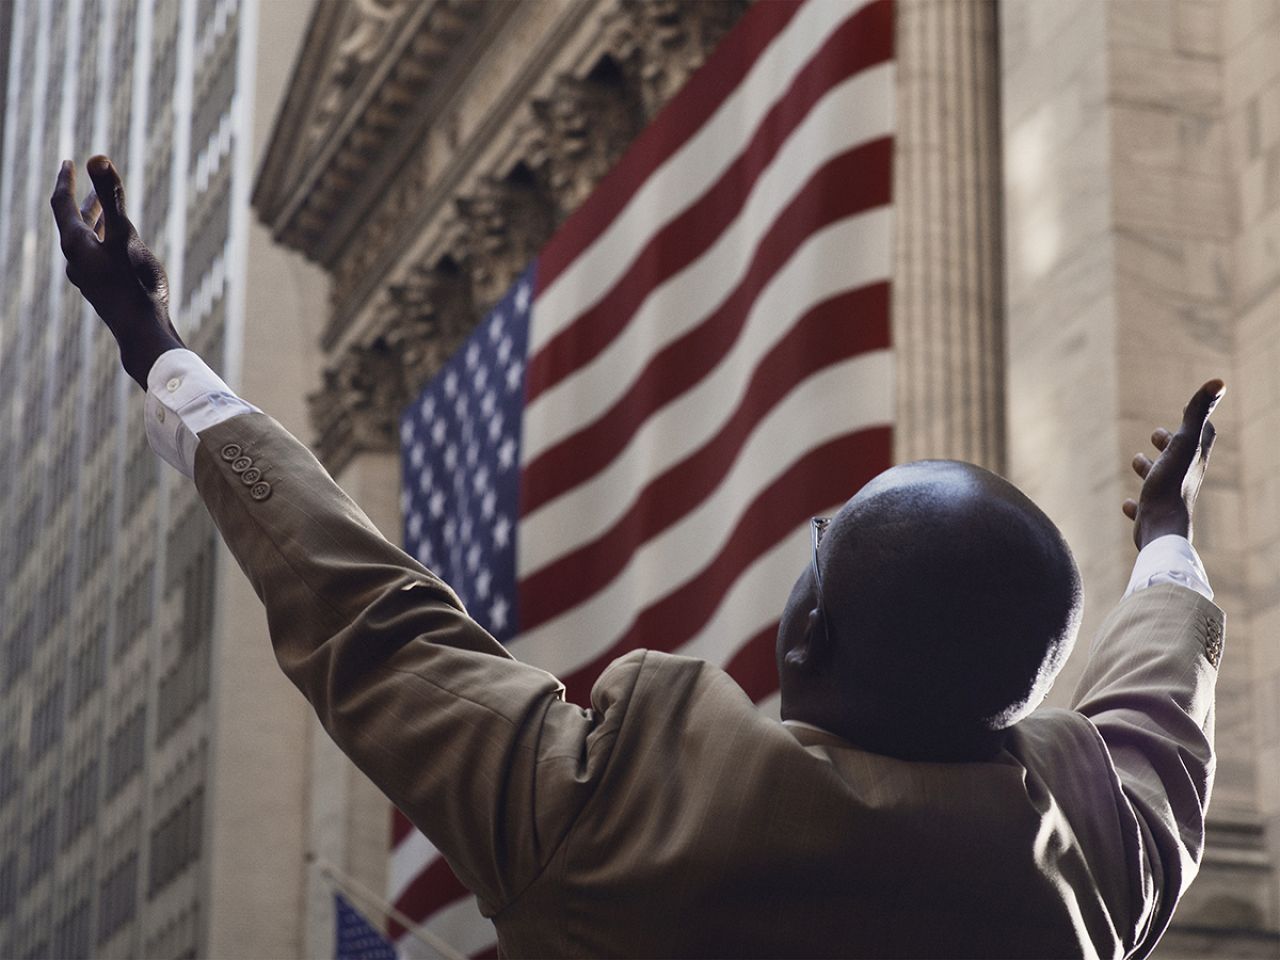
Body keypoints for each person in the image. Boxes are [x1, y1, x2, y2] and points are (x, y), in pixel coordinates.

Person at [52, 156, 1226, 959]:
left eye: (822, 544)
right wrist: (1165, 539)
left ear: (805, 632)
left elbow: (373, 617)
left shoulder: (613, 820)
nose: (806, 546)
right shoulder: (1103, 870)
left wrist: (155, 346)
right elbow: (1158, 702)